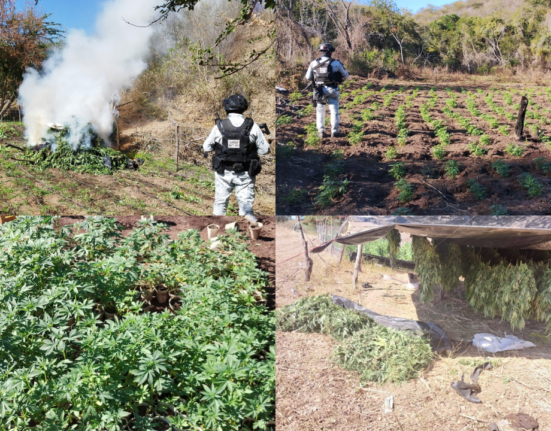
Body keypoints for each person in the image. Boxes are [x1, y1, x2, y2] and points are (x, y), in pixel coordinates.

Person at [203, 94, 269, 223]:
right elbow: (265, 150)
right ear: (244, 108)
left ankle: (217, 231)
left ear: (226, 108)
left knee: (220, 205)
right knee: (246, 210)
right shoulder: (253, 127)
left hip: (223, 173)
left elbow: (207, 147)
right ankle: (249, 234)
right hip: (245, 174)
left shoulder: (219, 126)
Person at [304, 43, 349, 139]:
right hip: (333, 89)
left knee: (320, 111)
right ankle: (335, 131)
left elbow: (308, 77)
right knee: (334, 110)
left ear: (321, 51)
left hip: (319, 91)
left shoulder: (313, 63)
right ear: (331, 52)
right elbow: (346, 75)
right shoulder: (336, 63)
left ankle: (321, 131)